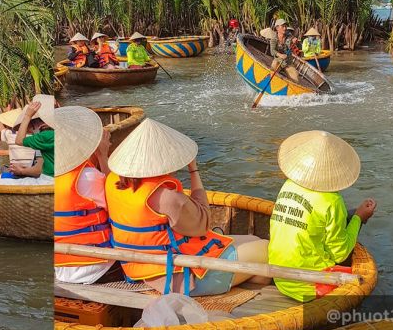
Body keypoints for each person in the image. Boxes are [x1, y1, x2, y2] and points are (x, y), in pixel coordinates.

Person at [106, 118, 270, 296]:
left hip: (139, 269)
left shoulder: (112, 181)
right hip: (178, 278)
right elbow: (203, 224)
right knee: (265, 248)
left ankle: (237, 284)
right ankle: (235, 293)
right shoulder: (168, 198)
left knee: (252, 239)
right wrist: (194, 170)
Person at [267, 130, 376, 302]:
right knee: (349, 244)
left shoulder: (288, 185)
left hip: (279, 276)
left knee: (341, 219)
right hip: (309, 285)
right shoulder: (332, 200)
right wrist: (359, 218)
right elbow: (340, 254)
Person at [52, 106, 115, 284]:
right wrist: (103, 156)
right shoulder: (87, 177)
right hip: (92, 263)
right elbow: (118, 203)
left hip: (58, 262)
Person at [9, 94, 56, 180]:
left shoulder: (45, 136)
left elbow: (19, 141)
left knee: (2, 182)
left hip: (49, 179)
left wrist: (27, 116)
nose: (29, 131)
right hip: (54, 177)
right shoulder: (56, 132)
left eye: (28, 127)